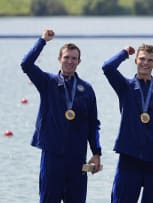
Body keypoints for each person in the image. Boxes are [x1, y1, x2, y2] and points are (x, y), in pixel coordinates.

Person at [20, 29, 102, 203]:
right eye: (66, 57)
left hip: (77, 157)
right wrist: (43, 41)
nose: (70, 61)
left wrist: (96, 152)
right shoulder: (47, 82)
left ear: (79, 61)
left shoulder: (86, 90)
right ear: (59, 59)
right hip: (52, 156)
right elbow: (26, 64)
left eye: (74, 58)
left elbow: (93, 124)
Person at [102, 44, 153, 203]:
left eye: (150, 60)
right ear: (136, 60)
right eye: (142, 59)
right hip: (129, 159)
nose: (145, 63)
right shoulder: (125, 86)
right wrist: (124, 53)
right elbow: (107, 67)